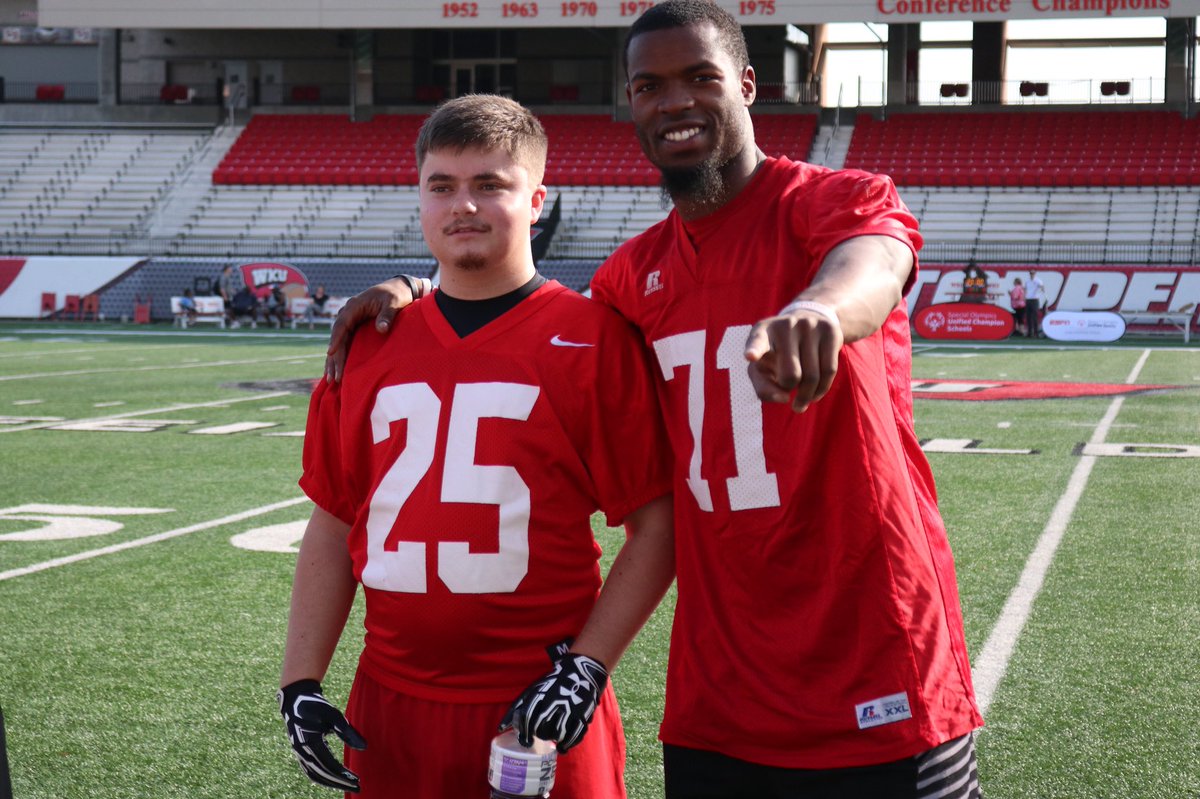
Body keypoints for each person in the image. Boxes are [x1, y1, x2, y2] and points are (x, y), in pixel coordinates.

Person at [324, 3, 983, 797]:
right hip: (719, 691)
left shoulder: (831, 200)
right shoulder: (631, 279)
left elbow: (871, 268)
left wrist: (820, 313)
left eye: (700, 77)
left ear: (746, 84)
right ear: (631, 106)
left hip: (874, 660)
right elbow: (522, 314)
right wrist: (422, 286)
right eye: (649, 85)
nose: (675, 101)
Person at [278, 94, 675, 799]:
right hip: (389, 706)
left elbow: (657, 523)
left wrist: (587, 666)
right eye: (443, 186)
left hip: (539, 705)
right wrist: (300, 679)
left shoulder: (593, 339)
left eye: (491, 185)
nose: (464, 205)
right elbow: (337, 520)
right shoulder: (369, 343)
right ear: (420, 198)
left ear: (536, 199)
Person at [1025, 269, 1046, 339]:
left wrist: (1042, 289)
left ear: (1035, 274)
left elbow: (1042, 286)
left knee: (1034, 317)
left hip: (1035, 300)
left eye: (1033, 273)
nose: (1032, 274)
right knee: (1028, 317)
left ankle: (1036, 333)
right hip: (1028, 299)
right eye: (1031, 273)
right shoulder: (1027, 281)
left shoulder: (1038, 280)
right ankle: (1029, 333)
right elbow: (1026, 289)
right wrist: (1025, 297)